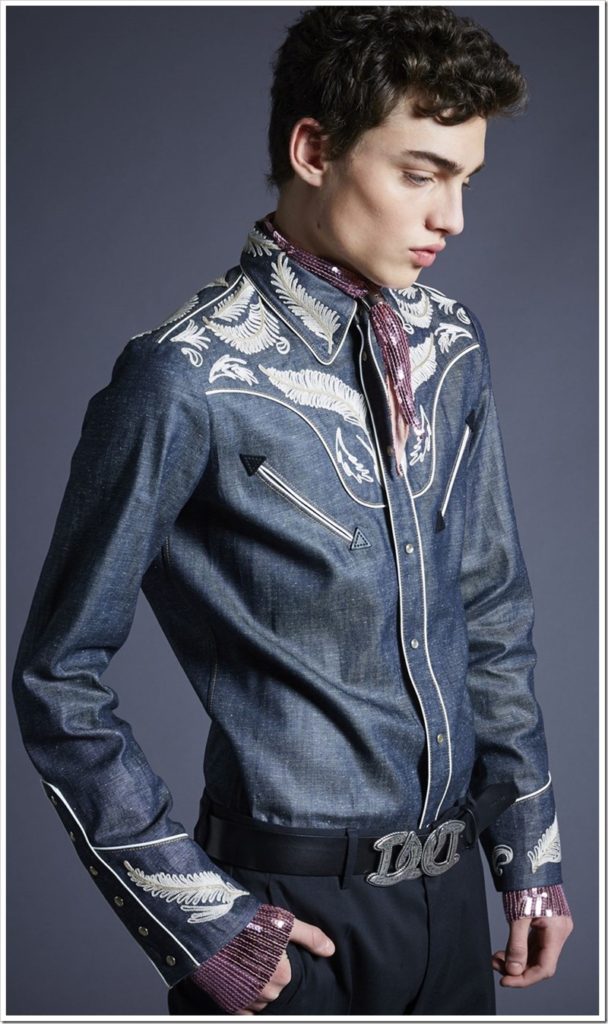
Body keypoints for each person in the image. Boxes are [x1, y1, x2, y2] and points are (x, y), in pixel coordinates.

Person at [12, 5, 574, 1017]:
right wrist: (198, 920)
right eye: (421, 173)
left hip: (453, 910)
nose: (452, 217)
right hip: (289, 919)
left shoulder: (451, 346)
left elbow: (489, 610)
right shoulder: (183, 377)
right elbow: (57, 675)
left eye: (465, 179)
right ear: (314, 150)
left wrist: (528, 857)